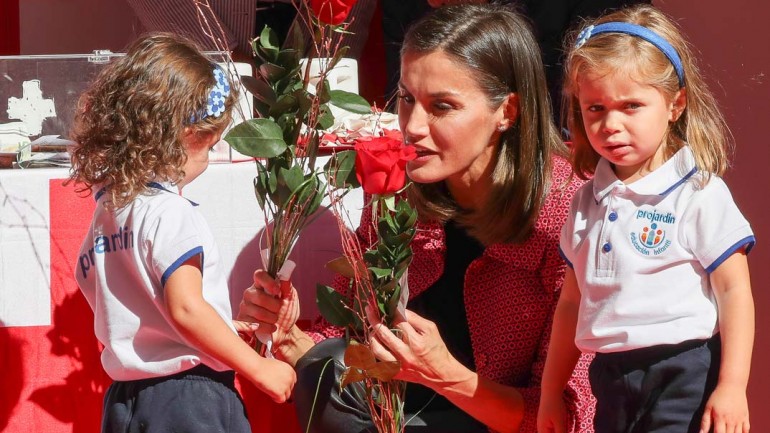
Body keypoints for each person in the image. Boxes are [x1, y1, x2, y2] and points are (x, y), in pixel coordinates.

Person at [239, 5, 595, 433]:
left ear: (508, 111)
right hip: (402, 411)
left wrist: (447, 376)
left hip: (501, 421)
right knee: (324, 369)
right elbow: (347, 334)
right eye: (407, 98)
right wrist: (288, 334)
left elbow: (571, 418)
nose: (413, 126)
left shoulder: (572, 218)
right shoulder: (398, 191)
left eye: (442, 106)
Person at [537, 5, 755, 433]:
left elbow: (734, 292)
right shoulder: (584, 203)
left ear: (675, 105)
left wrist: (732, 385)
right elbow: (570, 303)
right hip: (610, 377)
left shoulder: (698, 192)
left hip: (683, 373)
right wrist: (550, 392)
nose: (610, 125)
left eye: (631, 105)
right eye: (594, 108)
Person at [68, 33, 296, 433]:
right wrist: (259, 368)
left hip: (126, 400)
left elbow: (133, 304)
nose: (207, 161)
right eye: (210, 148)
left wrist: (220, 327)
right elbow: (186, 309)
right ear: (188, 137)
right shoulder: (171, 213)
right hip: (191, 398)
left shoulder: (109, 214)